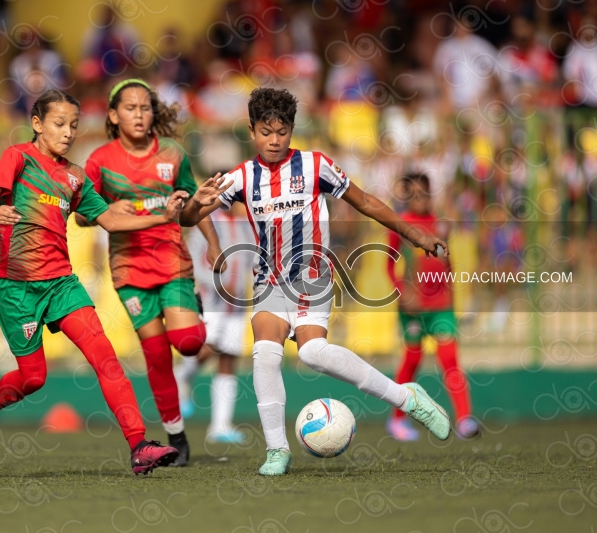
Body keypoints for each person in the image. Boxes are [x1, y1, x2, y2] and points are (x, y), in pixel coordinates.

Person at [180, 88, 452, 476]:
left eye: (282, 131)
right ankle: (277, 450)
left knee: (311, 353)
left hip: (312, 277)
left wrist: (414, 234)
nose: (274, 140)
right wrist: (194, 203)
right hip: (269, 281)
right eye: (265, 132)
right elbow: (188, 218)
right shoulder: (241, 177)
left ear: (292, 130)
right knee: (265, 353)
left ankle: (408, 398)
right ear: (252, 132)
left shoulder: (314, 166)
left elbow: (365, 201)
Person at [0, 89, 186, 475]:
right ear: (37, 124)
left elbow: (112, 220)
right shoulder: (18, 157)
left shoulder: (74, 177)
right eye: (59, 124)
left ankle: (139, 446)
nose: (68, 132)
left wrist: (163, 217)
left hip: (61, 283)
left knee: (106, 358)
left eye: (73, 125)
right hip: (15, 283)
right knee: (34, 378)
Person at [78, 79, 224, 466]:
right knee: (156, 355)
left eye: (145, 108)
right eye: (130, 108)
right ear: (113, 115)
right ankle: (177, 437)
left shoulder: (174, 154)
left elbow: (194, 204)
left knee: (190, 342)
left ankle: (194, 310)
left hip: (173, 263)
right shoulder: (100, 161)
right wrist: (106, 212)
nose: (139, 115)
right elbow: (79, 215)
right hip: (129, 270)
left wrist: (213, 242)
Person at [385, 173, 479, 441]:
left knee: (449, 358)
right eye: (412, 194)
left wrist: (449, 295)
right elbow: (388, 266)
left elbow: (446, 262)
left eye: (423, 193)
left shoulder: (441, 225)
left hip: (441, 306)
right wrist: (403, 293)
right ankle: (397, 420)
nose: (419, 199)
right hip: (413, 308)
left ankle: (464, 420)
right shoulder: (399, 226)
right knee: (412, 360)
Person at [175, 203, 254, 444]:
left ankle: (220, 426)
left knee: (229, 357)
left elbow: (251, 260)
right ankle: (181, 376)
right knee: (204, 350)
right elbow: (192, 263)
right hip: (211, 301)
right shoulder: (206, 224)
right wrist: (218, 283)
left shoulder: (246, 226)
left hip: (237, 304)